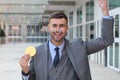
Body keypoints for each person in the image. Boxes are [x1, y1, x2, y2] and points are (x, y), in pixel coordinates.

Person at [19, 0, 114, 80]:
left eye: (61, 26)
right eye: (54, 26)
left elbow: (106, 40)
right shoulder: (37, 52)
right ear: (49, 28)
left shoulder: (79, 46)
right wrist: (25, 71)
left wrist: (105, 10)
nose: (57, 30)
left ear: (67, 28)